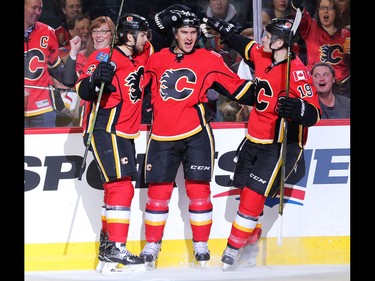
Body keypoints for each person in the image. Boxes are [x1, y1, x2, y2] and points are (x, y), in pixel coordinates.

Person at [138, 9, 256, 270]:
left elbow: (237, 88)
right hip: (161, 135)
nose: (189, 37)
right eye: (184, 32)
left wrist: (268, 90)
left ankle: (201, 244)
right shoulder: (156, 59)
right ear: (175, 34)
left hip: (197, 134)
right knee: (158, 193)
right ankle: (152, 244)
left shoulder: (209, 58)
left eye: (193, 32)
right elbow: (134, 78)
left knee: (199, 191)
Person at [203, 16, 321, 270]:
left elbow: (314, 113)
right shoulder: (263, 55)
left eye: (268, 37)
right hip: (254, 138)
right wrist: (225, 30)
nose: (262, 40)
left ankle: (233, 249)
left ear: (280, 43)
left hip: (280, 144)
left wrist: (298, 109)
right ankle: (250, 247)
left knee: (254, 197)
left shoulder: (297, 72)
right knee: (245, 193)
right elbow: (244, 46)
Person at [75, 13, 153, 274]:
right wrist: (97, 79)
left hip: (125, 133)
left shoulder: (137, 56)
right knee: (121, 186)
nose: (146, 39)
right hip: (106, 129)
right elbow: (83, 90)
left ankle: (108, 252)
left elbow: (153, 45)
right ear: (130, 36)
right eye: (141, 34)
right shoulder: (103, 57)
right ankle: (116, 247)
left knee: (115, 188)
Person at [24, 0, 76, 128]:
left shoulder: (48, 32)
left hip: (43, 110)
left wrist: (73, 53)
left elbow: (57, 71)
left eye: (40, 9)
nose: (38, 12)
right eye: (34, 8)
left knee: (43, 148)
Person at [291, 0, 350, 98]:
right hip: (316, 87)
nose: (325, 11)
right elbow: (299, 8)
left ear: (336, 12)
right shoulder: (311, 28)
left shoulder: (347, 35)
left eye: (329, 8)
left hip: (342, 89)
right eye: (322, 8)